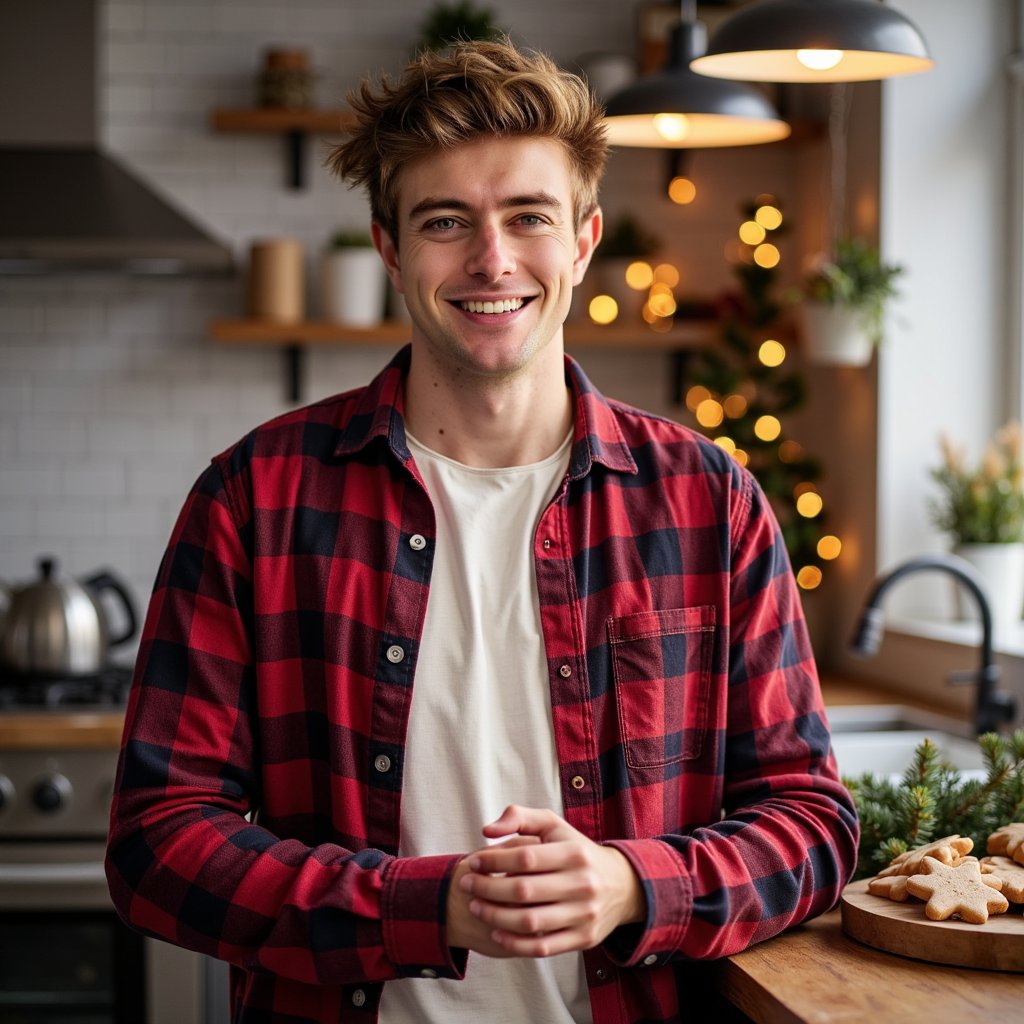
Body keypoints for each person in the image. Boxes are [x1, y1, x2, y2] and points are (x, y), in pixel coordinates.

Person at [106, 39, 859, 1024]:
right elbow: (156, 843)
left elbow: (811, 824)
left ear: (583, 241)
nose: (492, 259)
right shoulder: (254, 496)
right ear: (390, 247)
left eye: (528, 217)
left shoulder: (707, 500)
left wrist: (635, 885)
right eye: (446, 221)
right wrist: (419, 906)